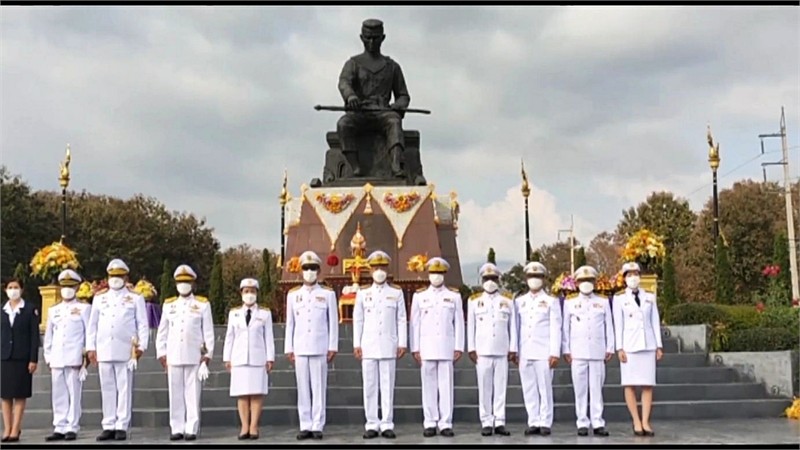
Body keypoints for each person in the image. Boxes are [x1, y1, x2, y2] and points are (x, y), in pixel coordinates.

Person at [337, 18, 410, 178]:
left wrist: (398, 106)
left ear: (382, 38)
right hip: (360, 112)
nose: (371, 42)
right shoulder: (353, 64)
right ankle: (355, 167)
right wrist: (350, 97)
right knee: (344, 124)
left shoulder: (392, 66)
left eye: (375, 38)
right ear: (361, 38)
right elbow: (344, 82)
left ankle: (396, 165)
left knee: (394, 122)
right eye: (368, 38)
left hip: (383, 112)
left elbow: (403, 95)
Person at [86, 258, 149, 441]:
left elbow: (142, 324)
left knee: (124, 387)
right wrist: (91, 348)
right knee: (107, 388)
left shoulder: (135, 298)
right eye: (112, 275)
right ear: (107, 276)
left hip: (126, 350)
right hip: (104, 348)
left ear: (126, 276)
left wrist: (142, 346)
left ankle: (121, 424)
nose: (116, 279)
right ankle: (108, 424)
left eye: (119, 276)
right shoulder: (99, 298)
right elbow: (93, 325)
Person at [155, 265, 214, 441]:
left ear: (193, 283)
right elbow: (162, 331)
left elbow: (208, 332)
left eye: (186, 282)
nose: (183, 285)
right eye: (180, 282)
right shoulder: (169, 304)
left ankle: (192, 427)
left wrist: (207, 355)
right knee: (175, 393)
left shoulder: (202, 304)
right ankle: (177, 427)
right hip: (173, 355)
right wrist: (161, 353)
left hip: (194, 355)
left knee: (192, 393)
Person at [353, 250, 407, 439]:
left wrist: (402, 342)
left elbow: (401, 319)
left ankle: (386, 423)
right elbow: (358, 319)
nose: (379, 271)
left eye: (382, 267)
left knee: (387, 385)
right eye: (376, 267)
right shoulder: (363, 293)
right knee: (369, 385)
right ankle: (371, 423)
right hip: (368, 345)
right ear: (370, 269)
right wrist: (356, 343)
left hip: (388, 344)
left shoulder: (396, 292)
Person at [285, 251, 338, 440]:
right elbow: (290, 323)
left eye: (313, 268)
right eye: (306, 268)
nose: (309, 272)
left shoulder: (327, 294)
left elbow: (333, 321)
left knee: (318, 386)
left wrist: (332, 346)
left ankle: (318, 424)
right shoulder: (293, 295)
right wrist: (288, 348)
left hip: (320, 346)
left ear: (318, 271)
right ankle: (305, 424)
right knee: (303, 387)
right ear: (301, 271)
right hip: (300, 346)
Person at [410, 257, 464, 438]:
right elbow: (415, 324)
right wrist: (415, 347)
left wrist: (459, 346)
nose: (436, 276)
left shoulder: (454, 296)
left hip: (447, 346)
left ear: (444, 275)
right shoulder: (420, 296)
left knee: (446, 385)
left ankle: (445, 422)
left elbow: (459, 324)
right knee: (429, 385)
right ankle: (430, 421)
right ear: (428, 274)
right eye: (434, 273)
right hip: (426, 347)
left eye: (440, 273)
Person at [612, 262, 663, 437]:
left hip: (647, 344)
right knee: (630, 384)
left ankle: (646, 421)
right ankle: (636, 420)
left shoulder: (649, 296)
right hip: (630, 346)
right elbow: (618, 324)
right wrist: (619, 347)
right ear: (624, 277)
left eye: (636, 274)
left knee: (648, 384)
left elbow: (654, 320)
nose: (633, 277)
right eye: (629, 274)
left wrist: (658, 345)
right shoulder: (619, 298)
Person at [562, 265, 614, 437]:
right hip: (577, 352)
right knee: (580, 389)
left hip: (598, 351)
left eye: (589, 280)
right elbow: (565, 328)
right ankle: (582, 422)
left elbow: (609, 326)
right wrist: (566, 348)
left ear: (594, 282)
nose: (586, 283)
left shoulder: (603, 301)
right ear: (576, 283)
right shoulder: (570, 303)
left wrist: (610, 347)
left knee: (597, 388)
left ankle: (598, 422)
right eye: (583, 280)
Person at [466, 262, 516, 437]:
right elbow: (470, 326)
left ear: (498, 280)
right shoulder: (474, 301)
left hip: (502, 350)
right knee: (485, 388)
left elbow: (513, 326)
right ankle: (486, 421)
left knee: (501, 387)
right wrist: (471, 348)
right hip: (482, 351)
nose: (490, 282)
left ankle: (500, 420)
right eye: (487, 278)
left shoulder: (507, 300)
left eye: (493, 278)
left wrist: (513, 348)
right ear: (482, 280)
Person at [223, 278, 275, 440]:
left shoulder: (265, 313)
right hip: (239, 358)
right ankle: (244, 426)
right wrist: (227, 357)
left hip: (258, 358)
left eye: (252, 291)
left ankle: (254, 426)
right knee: (242, 394)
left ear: (257, 293)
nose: (249, 294)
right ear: (241, 293)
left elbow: (269, 337)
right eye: (246, 291)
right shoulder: (234, 313)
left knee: (256, 393)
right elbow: (229, 337)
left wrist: (270, 358)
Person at [514, 261, 562, 436]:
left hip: (544, 351)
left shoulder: (551, 301)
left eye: (538, 276)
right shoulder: (519, 301)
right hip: (525, 350)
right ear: (526, 279)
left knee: (544, 387)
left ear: (543, 279)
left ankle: (545, 421)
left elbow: (556, 328)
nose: (534, 280)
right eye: (531, 276)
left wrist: (554, 352)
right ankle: (533, 420)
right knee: (529, 388)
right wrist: (515, 350)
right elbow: (516, 327)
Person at [43, 270, 91, 441]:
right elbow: (49, 336)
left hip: (74, 357)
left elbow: (88, 333)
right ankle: (59, 425)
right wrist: (48, 357)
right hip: (57, 357)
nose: (67, 290)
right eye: (64, 286)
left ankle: (72, 426)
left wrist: (86, 356)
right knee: (58, 393)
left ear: (77, 287)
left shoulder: (84, 308)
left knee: (74, 392)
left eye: (71, 286)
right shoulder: (53, 310)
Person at [1, 278, 39, 443]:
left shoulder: (29, 309)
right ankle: (7, 428)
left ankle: (16, 429)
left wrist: (33, 359)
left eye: (16, 287)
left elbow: (34, 337)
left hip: (22, 358)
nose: (13, 290)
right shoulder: (2, 310)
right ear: (5, 290)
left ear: (22, 290)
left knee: (19, 394)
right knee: (5, 395)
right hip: (4, 357)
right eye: (10, 287)